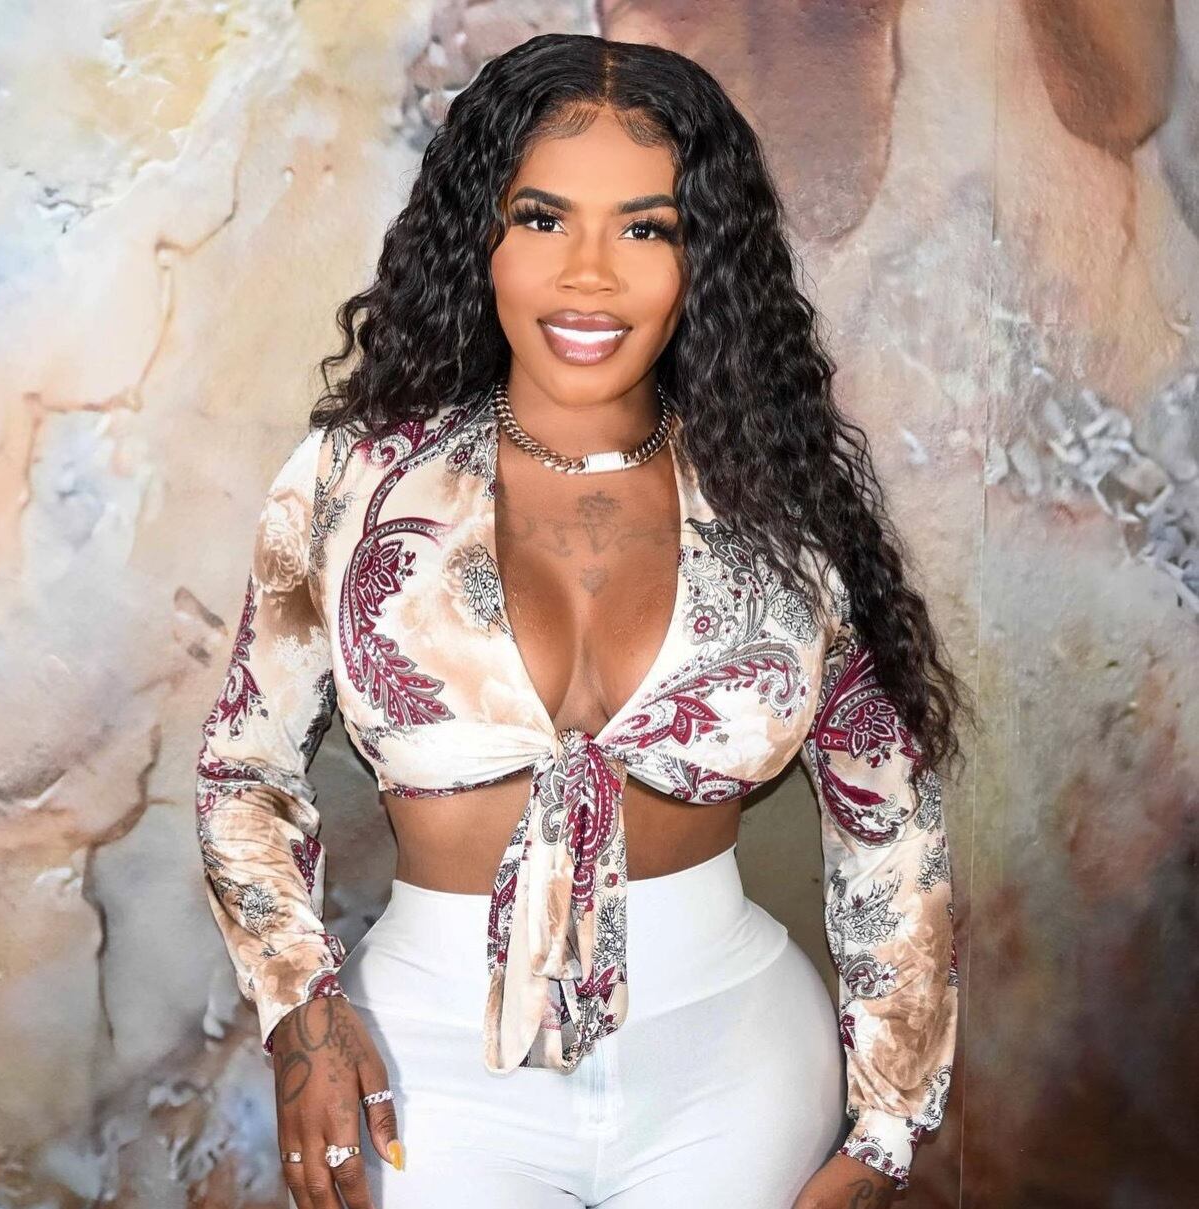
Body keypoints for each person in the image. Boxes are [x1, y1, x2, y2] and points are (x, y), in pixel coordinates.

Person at [194, 32, 973, 1209]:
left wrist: (886, 1131)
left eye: (647, 229)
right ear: (482, 236)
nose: (591, 277)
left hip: (733, 1062)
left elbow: (891, 826)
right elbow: (245, 769)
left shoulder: (783, 503)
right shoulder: (350, 483)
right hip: (426, 1064)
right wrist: (299, 1013)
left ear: (704, 258)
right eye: (544, 218)